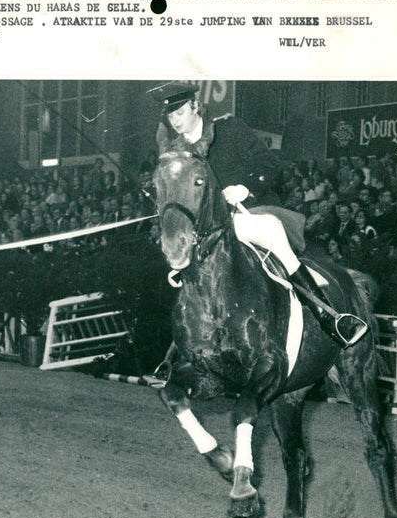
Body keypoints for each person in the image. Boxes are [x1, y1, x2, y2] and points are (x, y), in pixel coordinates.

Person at [148, 82, 366, 347]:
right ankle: (182, 347)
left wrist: (245, 188)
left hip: (250, 210)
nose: (175, 120)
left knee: (271, 232)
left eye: (179, 112)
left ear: (196, 107)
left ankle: (328, 316)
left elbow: (270, 165)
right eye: (170, 116)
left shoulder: (229, 129)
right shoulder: (178, 149)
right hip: (210, 226)